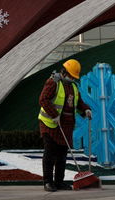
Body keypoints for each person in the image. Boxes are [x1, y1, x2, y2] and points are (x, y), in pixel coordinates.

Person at [38, 59, 92, 192]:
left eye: (74, 77)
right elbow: (43, 99)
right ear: (64, 72)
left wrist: (86, 109)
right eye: (71, 76)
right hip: (50, 124)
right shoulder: (53, 82)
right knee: (50, 154)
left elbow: (78, 102)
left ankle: (59, 182)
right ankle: (48, 182)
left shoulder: (73, 86)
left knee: (62, 155)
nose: (72, 78)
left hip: (66, 126)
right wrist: (53, 114)